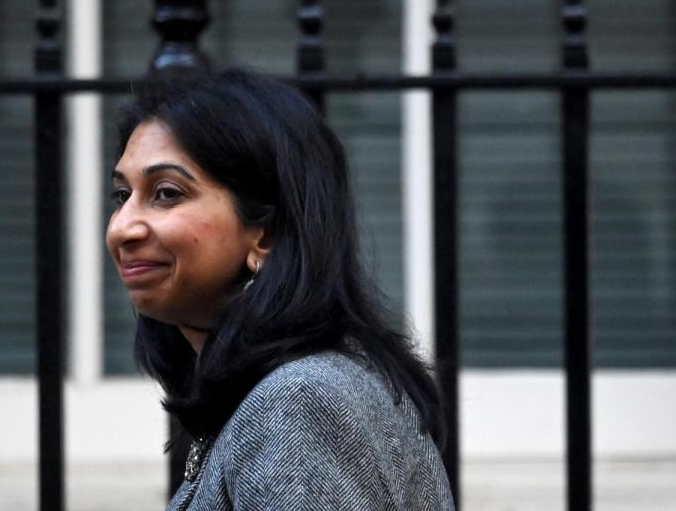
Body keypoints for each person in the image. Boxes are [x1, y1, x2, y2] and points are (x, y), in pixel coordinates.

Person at [105, 69, 455, 510]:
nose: (121, 228)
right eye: (122, 196)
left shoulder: (297, 402)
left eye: (167, 193)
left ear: (266, 235)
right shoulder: (283, 390)